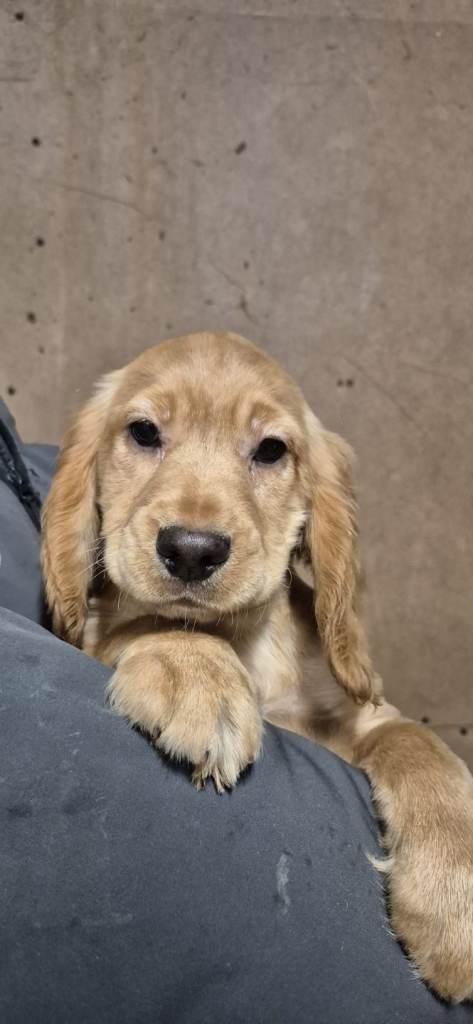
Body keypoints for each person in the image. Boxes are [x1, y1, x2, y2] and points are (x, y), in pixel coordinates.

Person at [0, 401, 470, 1023]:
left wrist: (437, 798)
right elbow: (74, 645)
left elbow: (373, 723)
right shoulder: (87, 593)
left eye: (269, 451)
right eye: (145, 434)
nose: (194, 531)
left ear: (315, 513)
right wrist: (155, 642)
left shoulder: (305, 639)